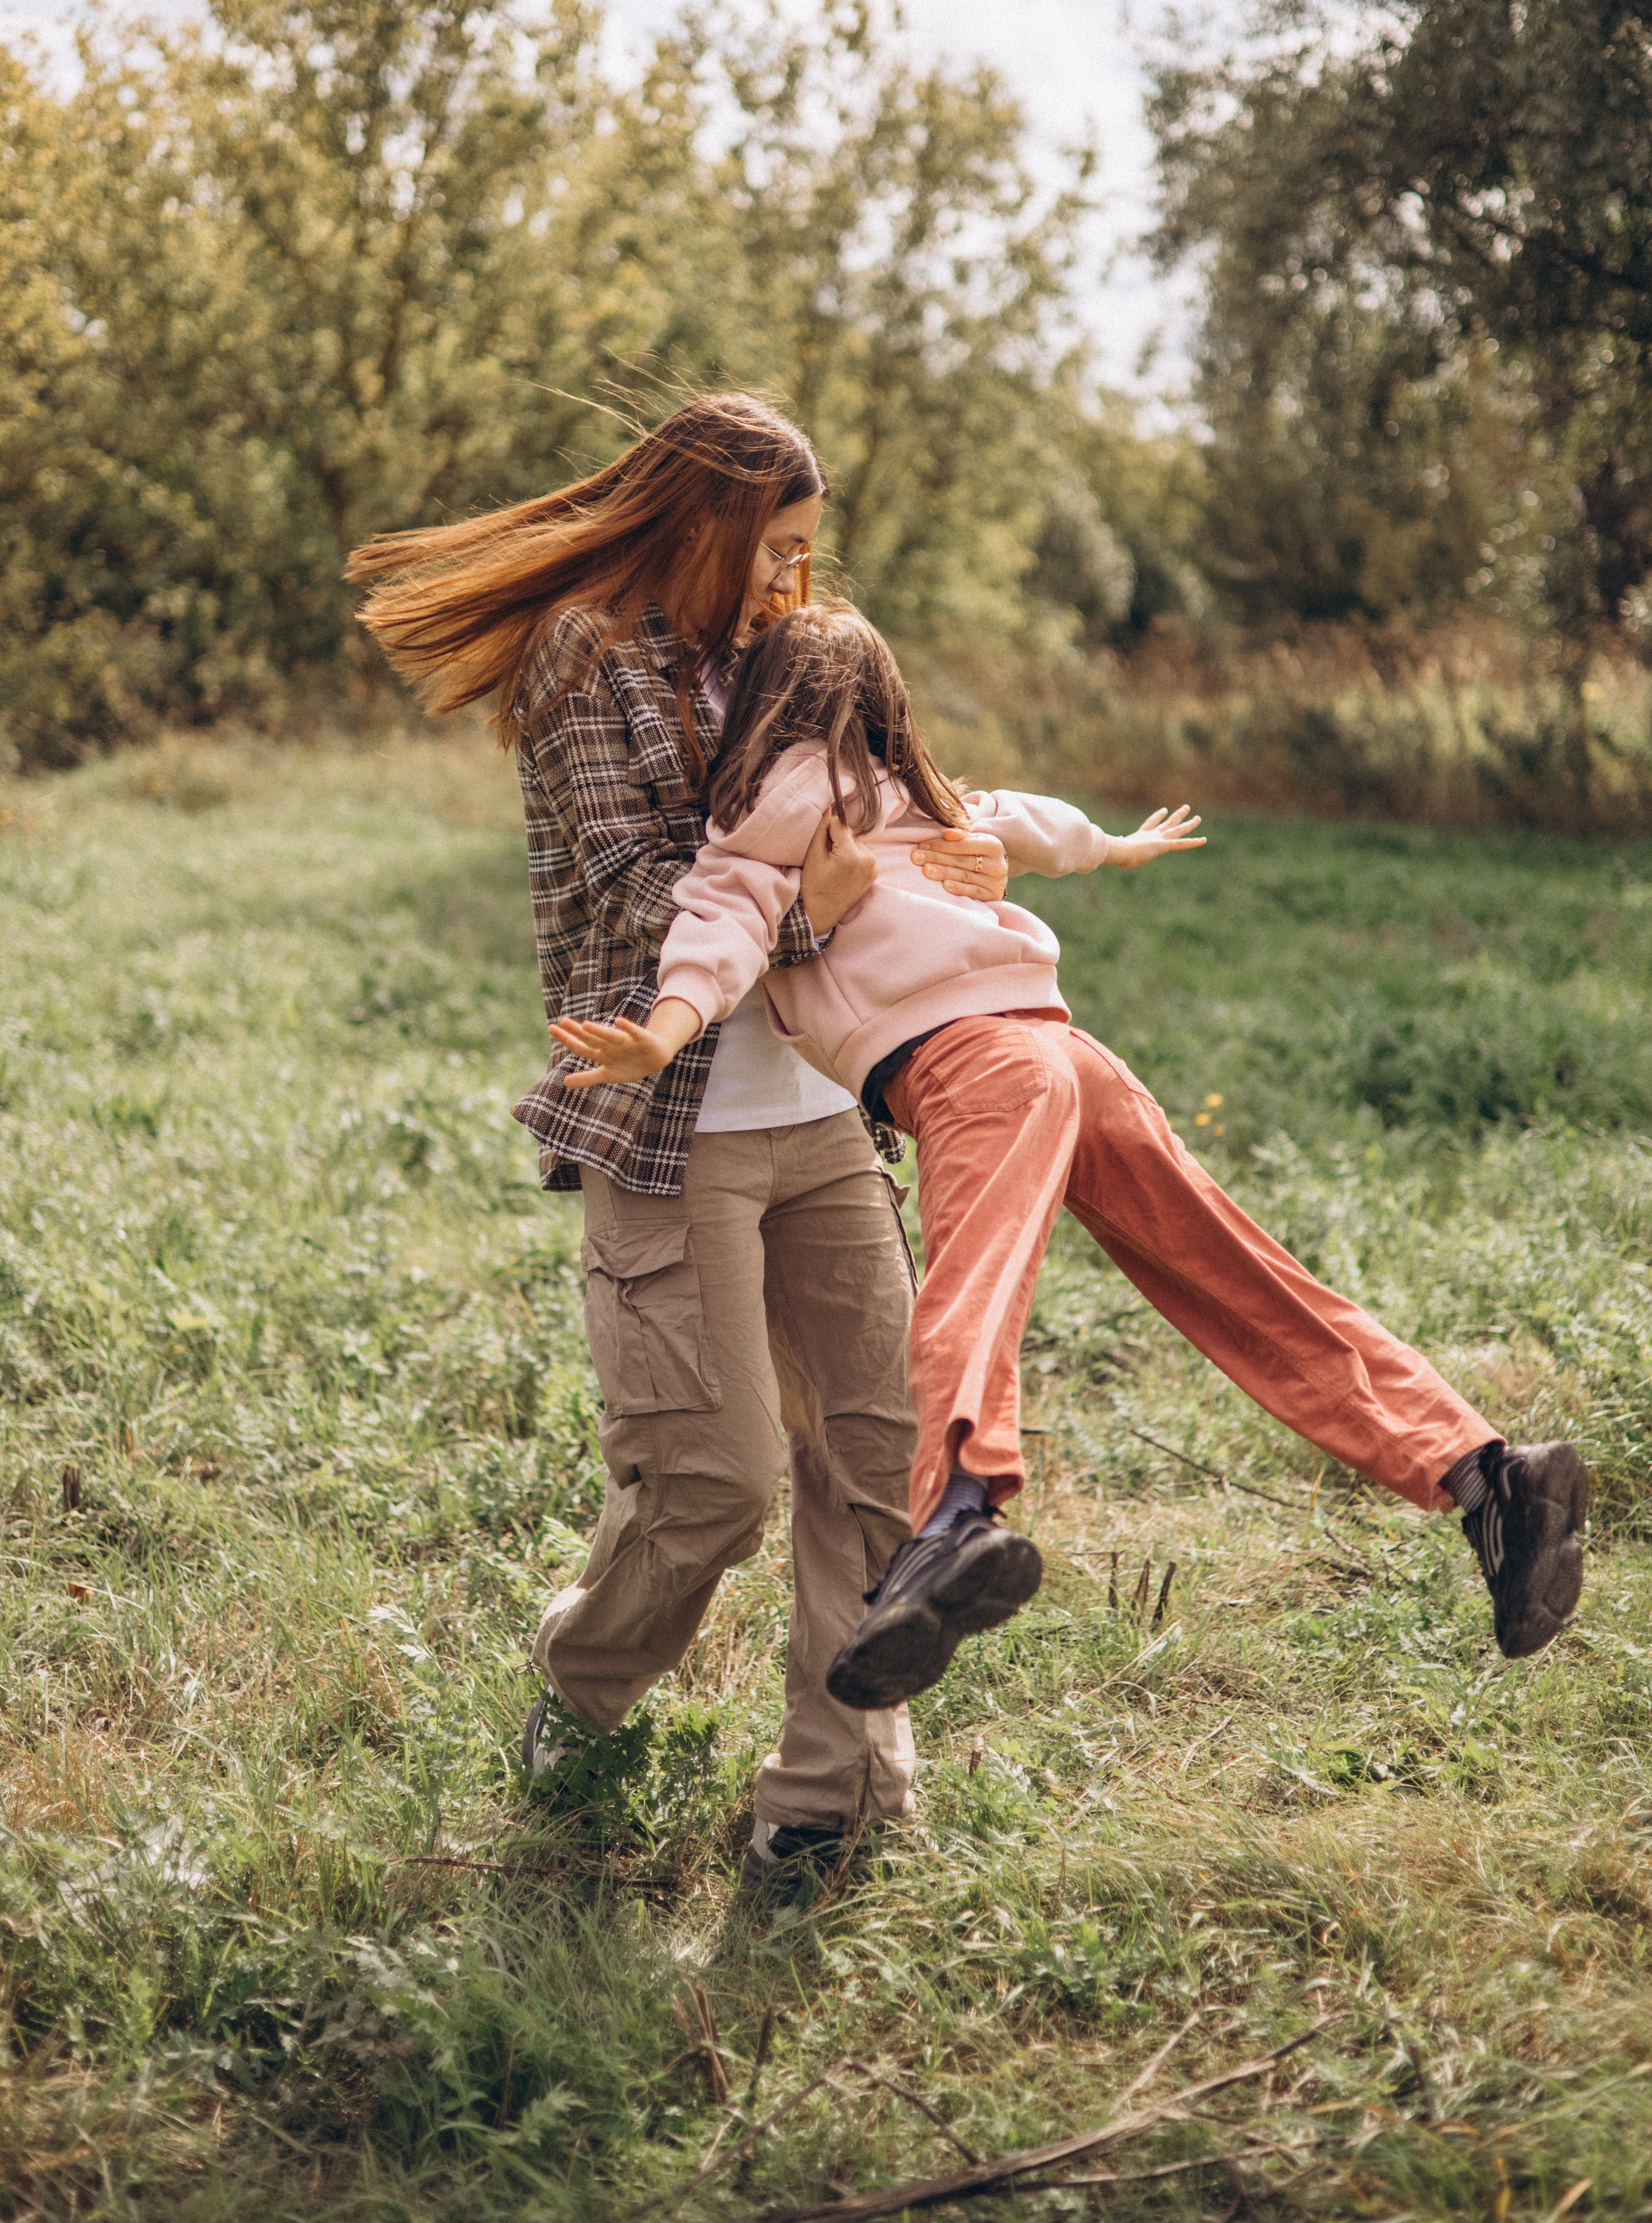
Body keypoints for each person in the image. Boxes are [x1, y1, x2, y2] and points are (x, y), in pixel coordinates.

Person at [550, 602, 1591, 1712]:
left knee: (972, 1287)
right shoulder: (923, 795)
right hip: (1067, 1052)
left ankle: (955, 1515)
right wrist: (1117, 845)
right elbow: (1031, 824)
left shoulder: (768, 827)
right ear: (882, 703)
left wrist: (659, 1035)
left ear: (759, 711)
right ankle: (1484, 1473)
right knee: (1241, 1277)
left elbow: (716, 937)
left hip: (971, 1069)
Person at [346, 394, 1011, 1896]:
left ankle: (830, 1796)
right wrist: (813, 917)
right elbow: (637, 883)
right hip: (668, 1128)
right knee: (709, 1481)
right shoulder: (584, 653)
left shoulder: (794, 649)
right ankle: (580, 1692)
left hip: (823, 1117)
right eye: (772, 546)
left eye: (804, 550)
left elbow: (878, 821)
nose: (790, 576)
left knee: (876, 1457)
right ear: (701, 523)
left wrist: (943, 854)